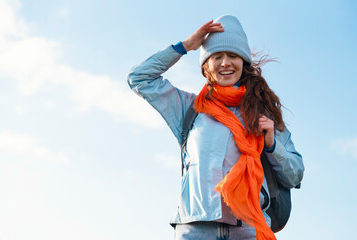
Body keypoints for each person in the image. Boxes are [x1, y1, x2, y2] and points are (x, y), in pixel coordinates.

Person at [127, 15, 304, 240]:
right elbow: (138, 78)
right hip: (194, 229)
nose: (225, 63)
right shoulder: (188, 108)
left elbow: (295, 174)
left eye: (233, 55)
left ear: (244, 62)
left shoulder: (263, 113)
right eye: (217, 56)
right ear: (206, 65)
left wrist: (271, 145)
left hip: (249, 228)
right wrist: (185, 46)